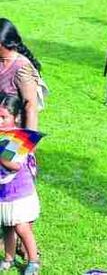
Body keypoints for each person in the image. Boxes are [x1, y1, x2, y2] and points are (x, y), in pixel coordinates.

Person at [0, 94, 40, 274]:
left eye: (3, 117)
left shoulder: (18, 137)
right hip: (4, 192)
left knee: (21, 226)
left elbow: (14, 165)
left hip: (20, 192)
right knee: (7, 226)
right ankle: (8, 258)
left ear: (15, 117)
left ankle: (33, 261)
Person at [0, 20, 44, 130]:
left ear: (2, 43)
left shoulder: (22, 69)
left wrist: (29, 142)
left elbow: (30, 107)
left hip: (10, 135)